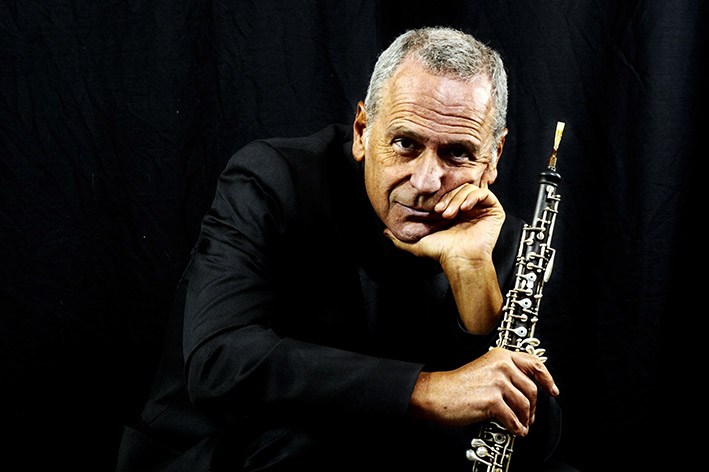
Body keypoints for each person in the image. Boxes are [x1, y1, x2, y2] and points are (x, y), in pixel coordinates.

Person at [117, 27, 568, 471]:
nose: (427, 181)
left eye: (457, 153)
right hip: (238, 451)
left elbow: (529, 438)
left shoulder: (495, 236)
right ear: (362, 131)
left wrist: (473, 274)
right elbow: (220, 360)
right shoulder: (273, 181)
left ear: (493, 157)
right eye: (405, 144)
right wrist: (427, 390)